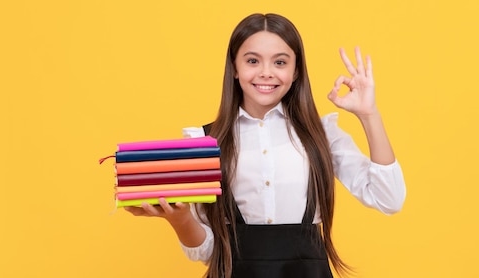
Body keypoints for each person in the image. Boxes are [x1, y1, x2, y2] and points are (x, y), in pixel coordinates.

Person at [124, 13, 406, 278]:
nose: (266, 73)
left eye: (280, 62)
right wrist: (180, 219)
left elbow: (389, 198)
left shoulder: (323, 134)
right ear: (234, 67)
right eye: (253, 61)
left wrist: (369, 115)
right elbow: (208, 251)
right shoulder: (204, 142)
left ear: (296, 71)